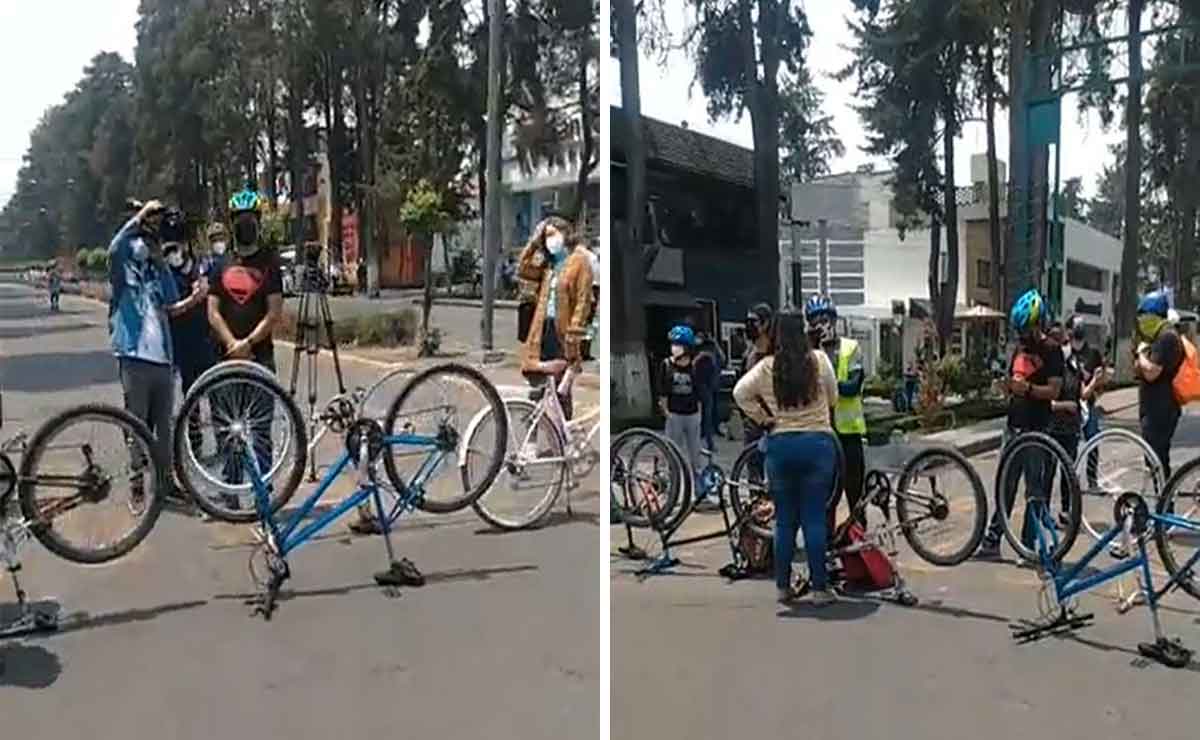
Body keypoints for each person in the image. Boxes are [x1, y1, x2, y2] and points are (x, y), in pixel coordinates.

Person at [733, 312, 839, 606]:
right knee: (814, 518)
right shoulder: (819, 360)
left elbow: (739, 393)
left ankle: (782, 587)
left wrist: (764, 418)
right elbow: (833, 397)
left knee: (784, 521)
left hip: (781, 447)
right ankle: (819, 589)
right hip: (818, 445)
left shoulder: (767, 367)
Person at [109, 199, 208, 507]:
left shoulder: (159, 269)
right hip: (133, 355)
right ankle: (137, 484)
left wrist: (195, 298)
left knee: (163, 428)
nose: (148, 245)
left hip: (163, 359)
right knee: (136, 424)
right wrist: (139, 217)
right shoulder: (123, 275)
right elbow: (115, 247)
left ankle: (164, 484)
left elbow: (171, 307)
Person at [977, 289, 1063, 559]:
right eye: (1019, 330)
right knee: (1006, 485)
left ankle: (1029, 545)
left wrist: (1026, 389)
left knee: (1034, 492)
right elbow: (1011, 381)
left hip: (1037, 430)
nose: (1022, 336)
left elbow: (1054, 391)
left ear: (1038, 324)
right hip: (1013, 426)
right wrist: (1004, 387)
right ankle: (992, 542)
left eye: (1026, 329)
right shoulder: (1018, 348)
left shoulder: (1052, 350)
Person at [517, 215, 594, 420]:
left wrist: (575, 331)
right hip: (543, 328)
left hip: (565, 331)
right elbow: (523, 268)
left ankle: (563, 434)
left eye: (553, 234)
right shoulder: (548, 265)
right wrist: (534, 242)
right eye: (546, 236)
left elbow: (583, 299)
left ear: (565, 233)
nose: (550, 240)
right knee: (538, 384)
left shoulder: (580, 261)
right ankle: (534, 435)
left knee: (561, 388)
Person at [804, 294, 867, 528]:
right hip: (822, 435)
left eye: (824, 319)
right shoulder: (807, 355)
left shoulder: (851, 348)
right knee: (826, 497)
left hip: (848, 433)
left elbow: (853, 386)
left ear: (834, 320)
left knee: (855, 496)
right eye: (814, 321)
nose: (820, 325)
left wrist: (826, 386)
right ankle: (827, 548)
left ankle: (861, 544)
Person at [161, 209, 215, 453]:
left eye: (179, 239)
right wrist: (194, 298)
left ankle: (226, 443)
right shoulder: (162, 270)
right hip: (176, 340)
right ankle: (193, 446)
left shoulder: (200, 265)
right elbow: (167, 308)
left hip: (203, 337)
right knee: (186, 396)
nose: (175, 247)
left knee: (213, 390)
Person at [1133, 289, 1184, 480]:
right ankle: (1162, 500)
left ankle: (1164, 502)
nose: (1142, 321)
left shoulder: (1167, 337)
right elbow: (1138, 370)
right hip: (1154, 409)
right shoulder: (1156, 337)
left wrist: (1141, 355)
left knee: (1158, 460)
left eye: (1145, 316)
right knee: (1154, 460)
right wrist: (1142, 360)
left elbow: (1151, 372)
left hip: (1161, 409)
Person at [659, 325, 705, 497]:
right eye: (673, 344)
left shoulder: (694, 366)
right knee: (672, 454)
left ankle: (700, 491)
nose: (675, 347)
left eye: (678, 344)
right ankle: (672, 490)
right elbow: (662, 392)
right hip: (674, 415)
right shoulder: (666, 365)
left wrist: (699, 414)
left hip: (692, 415)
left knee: (695, 456)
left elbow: (699, 392)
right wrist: (666, 413)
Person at [1044, 320, 1082, 527]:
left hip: (1071, 428)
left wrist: (1097, 382)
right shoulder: (1047, 367)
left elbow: (1081, 394)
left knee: (1069, 473)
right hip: (1052, 428)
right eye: (1057, 340)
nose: (1062, 344)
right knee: (1048, 473)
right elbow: (1043, 402)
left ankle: (1066, 511)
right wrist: (1063, 406)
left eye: (1064, 339)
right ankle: (1044, 512)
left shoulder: (1073, 366)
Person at [740, 302, 775, 445]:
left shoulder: (775, 354)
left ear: (765, 324)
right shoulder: (749, 354)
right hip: (753, 420)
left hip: (774, 419)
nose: (749, 327)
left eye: (753, 322)